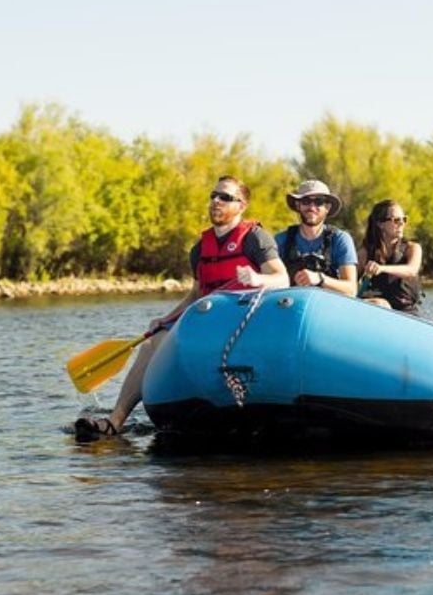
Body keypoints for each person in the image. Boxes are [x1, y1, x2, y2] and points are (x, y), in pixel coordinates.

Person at [74, 175, 289, 440]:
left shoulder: (255, 238)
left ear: (241, 205)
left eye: (225, 197)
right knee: (151, 344)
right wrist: (166, 319)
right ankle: (114, 421)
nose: (216, 202)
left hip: (244, 323)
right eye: (213, 196)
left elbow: (282, 278)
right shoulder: (200, 249)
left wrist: (257, 279)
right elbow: (196, 293)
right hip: (210, 324)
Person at [274, 180, 358, 297]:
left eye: (318, 202)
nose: (312, 207)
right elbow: (270, 281)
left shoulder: (340, 239)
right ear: (298, 205)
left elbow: (351, 290)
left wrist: (320, 279)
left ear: (327, 207)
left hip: (330, 307)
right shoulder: (281, 240)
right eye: (306, 201)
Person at [357, 199, 424, 313]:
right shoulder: (366, 252)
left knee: (382, 304)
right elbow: (350, 282)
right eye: (396, 220)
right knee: (379, 304)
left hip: (406, 313)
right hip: (376, 309)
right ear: (380, 224)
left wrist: (381, 268)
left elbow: (411, 270)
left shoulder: (413, 248)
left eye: (404, 219)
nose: (402, 223)